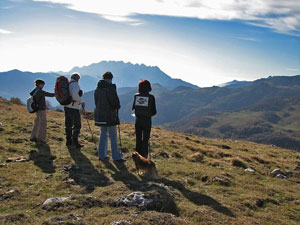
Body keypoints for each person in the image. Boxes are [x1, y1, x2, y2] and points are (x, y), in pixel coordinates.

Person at [94, 71, 125, 162]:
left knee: (103, 134)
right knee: (113, 136)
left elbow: (97, 102)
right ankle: (116, 157)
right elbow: (115, 103)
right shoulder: (110, 88)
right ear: (111, 78)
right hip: (109, 116)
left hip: (100, 115)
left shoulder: (97, 89)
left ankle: (102, 155)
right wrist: (117, 106)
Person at [132, 80, 156, 158]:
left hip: (138, 120)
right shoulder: (151, 97)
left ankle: (137, 156)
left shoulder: (136, 96)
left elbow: (133, 108)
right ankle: (144, 157)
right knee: (145, 140)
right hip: (147, 120)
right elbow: (154, 111)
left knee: (138, 139)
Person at [30, 79, 55, 143]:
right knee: (43, 123)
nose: (43, 86)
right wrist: (57, 93)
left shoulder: (35, 90)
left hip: (37, 109)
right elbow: (49, 94)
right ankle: (41, 139)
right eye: (42, 84)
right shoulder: (40, 91)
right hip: (41, 109)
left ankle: (33, 137)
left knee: (37, 122)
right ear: (39, 84)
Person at [64, 72, 85, 148]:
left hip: (66, 106)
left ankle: (68, 141)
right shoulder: (75, 84)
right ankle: (75, 142)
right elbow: (75, 96)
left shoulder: (68, 84)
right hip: (74, 107)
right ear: (77, 78)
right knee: (77, 125)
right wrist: (81, 101)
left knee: (68, 124)